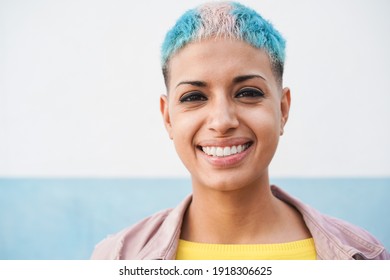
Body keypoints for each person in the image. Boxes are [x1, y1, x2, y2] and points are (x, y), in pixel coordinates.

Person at [91, 1, 389, 260]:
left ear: (283, 109)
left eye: (248, 92)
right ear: (168, 117)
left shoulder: (365, 258)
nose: (222, 121)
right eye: (194, 97)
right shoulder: (116, 259)